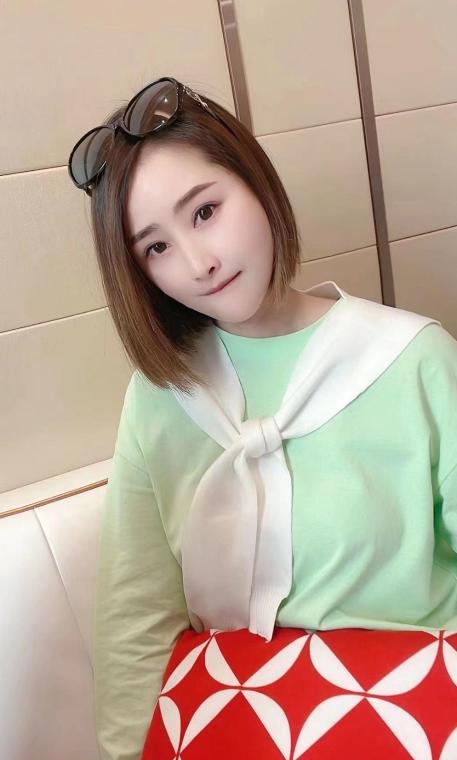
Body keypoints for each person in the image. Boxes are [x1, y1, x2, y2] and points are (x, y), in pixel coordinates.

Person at [68, 77, 457, 760]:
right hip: (237, 728)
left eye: (204, 211)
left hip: (414, 718)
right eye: (155, 248)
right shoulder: (161, 397)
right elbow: (138, 618)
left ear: (254, 180)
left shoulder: (412, 358)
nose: (199, 264)